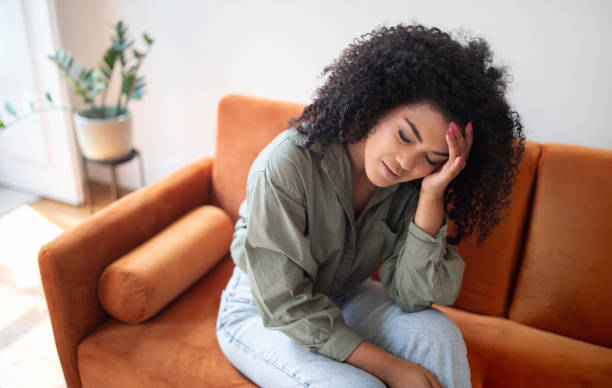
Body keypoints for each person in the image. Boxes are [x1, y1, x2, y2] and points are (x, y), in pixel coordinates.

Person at [216, 23, 525, 388]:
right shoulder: (287, 165)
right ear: (379, 107)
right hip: (263, 311)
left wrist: (431, 196)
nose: (407, 162)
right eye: (405, 136)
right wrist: (390, 368)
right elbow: (286, 305)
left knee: (439, 335)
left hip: (345, 294)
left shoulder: (414, 186)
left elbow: (412, 298)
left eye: (431, 157)